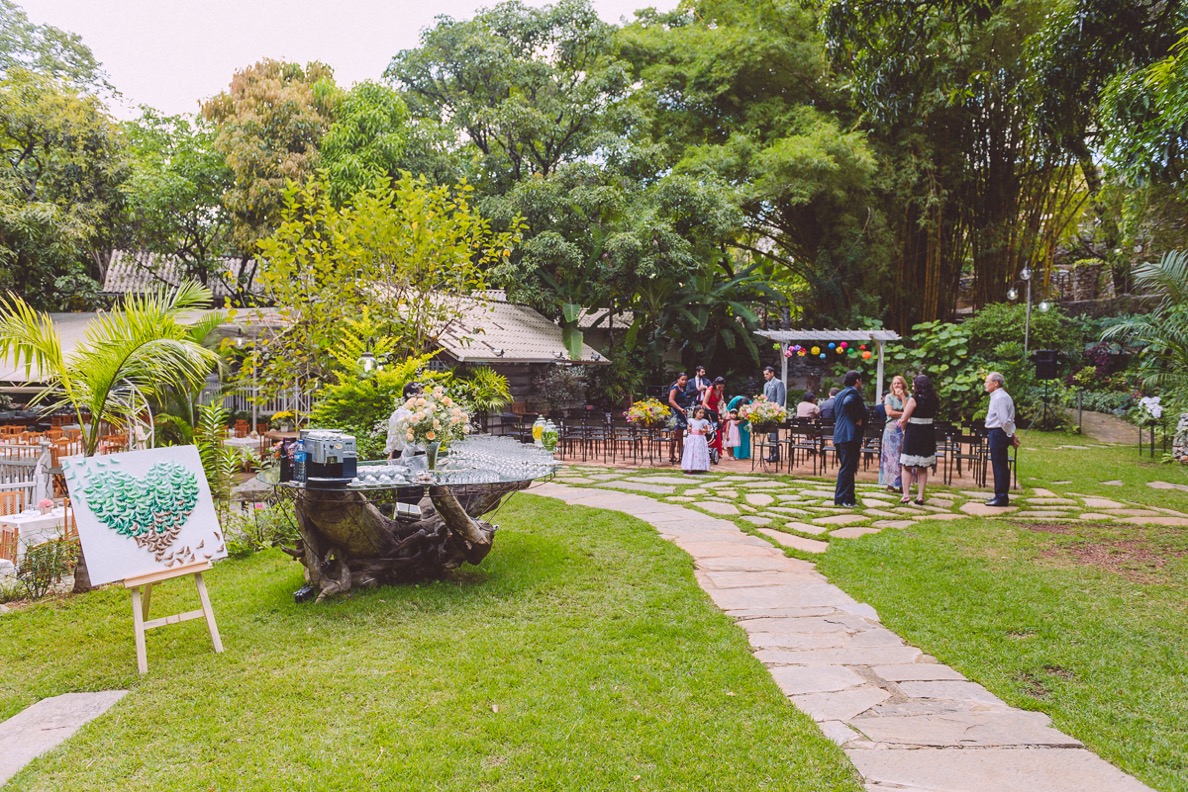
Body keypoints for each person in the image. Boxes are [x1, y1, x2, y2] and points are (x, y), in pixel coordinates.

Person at [898, 374, 940, 505]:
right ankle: (920, 495)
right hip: (928, 431)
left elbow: (905, 418)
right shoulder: (934, 399)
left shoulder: (914, 399)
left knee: (907, 465)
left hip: (914, 431)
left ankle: (906, 494)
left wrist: (904, 428)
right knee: (923, 466)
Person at [984, 371, 1020, 506]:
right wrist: (1012, 435)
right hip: (1000, 432)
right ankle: (1000, 495)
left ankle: (1001, 497)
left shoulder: (999, 398)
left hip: (998, 433)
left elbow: (1004, 421)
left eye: (987, 382)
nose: (985, 384)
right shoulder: (999, 396)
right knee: (1000, 465)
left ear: (995, 383)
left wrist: (1010, 435)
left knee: (999, 466)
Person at [832, 370, 866, 507]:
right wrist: (857, 418)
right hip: (849, 435)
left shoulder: (839, 394)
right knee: (847, 467)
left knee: (847, 467)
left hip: (839, 434)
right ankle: (843, 498)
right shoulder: (851, 393)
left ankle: (848, 497)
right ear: (857, 381)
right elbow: (848, 403)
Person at [879, 376, 908, 492]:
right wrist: (903, 414)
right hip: (891, 429)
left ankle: (903, 484)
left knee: (903, 456)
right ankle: (890, 484)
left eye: (899, 383)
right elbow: (889, 412)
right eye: (894, 383)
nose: (896, 385)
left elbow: (909, 410)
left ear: (903, 385)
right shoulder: (889, 397)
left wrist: (902, 397)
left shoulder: (908, 397)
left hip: (904, 429)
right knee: (891, 457)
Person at [386, 381, 424, 459]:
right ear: (411, 395)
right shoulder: (398, 413)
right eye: (421, 393)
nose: (423, 396)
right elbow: (392, 436)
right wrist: (391, 455)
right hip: (400, 455)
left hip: (421, 455)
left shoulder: (424, 412)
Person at [762, 366, 786, 462]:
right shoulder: (765, 385)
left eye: (767, 374)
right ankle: (771, 453)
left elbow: (780, 399)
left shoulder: (778, 383)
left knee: (774, 434)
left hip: (775, 412)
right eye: (764, 374)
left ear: (772, 373)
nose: (765, 376)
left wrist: (777, 411)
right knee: (769, 434)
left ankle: (775, 455)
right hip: (766, 413)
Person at [667, 372, 692, 463]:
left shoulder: (681, 388)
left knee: (681, 434)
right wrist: (679, 408)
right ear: (678, 379)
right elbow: (671, 400)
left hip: (682, 412)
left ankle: (682, 455)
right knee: (675, 434)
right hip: (676, 412)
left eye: (685, 380)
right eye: (682, 379)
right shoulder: (675, 388)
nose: (684, 382)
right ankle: (671, 454)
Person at [702, 377, 727, 460]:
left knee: (717, 429)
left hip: (715, 410)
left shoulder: (720, 391)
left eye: (722, 387)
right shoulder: (710, 390)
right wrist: (711, 412)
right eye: (719, 387)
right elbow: (704, 403)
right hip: (708, 410)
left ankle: (718, 451)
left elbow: (721, 400)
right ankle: (709, 449)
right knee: (710, 429)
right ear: (715, 384)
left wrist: (720, 408)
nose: (721, 388)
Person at [682, 406, 711, 473]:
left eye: (703, 413)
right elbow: (689, 427)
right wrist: (689, 428)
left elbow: (706, 429)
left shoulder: (704, 421)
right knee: (692, 452)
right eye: (700, 412)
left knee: (699, 452)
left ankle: (699, 466)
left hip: (700, 438)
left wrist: (702, 430)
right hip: (692, 438)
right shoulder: (691, 420)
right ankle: (690, 466)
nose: (701, 414)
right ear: (695, 412)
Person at [727, 394, 751, 460]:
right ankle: (735, 454)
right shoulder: (735, 400)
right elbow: (728, 409)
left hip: (745, 419)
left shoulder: (750, 404)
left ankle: (745, 455)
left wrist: (740, 421)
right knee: (735, 436)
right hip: (734, 419)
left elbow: (750, 415)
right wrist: (730, 418)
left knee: (744, 435)